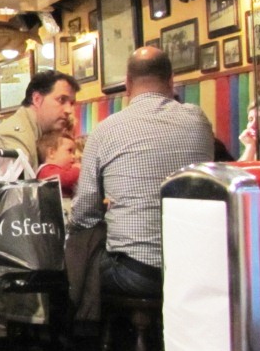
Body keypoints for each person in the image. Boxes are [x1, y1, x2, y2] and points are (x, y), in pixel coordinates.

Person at [70, 47, 214, 299]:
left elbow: (84, 214)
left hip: (134, 272)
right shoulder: (198, 120)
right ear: (171, 80)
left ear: (127, 84)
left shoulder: (105, 130)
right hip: (194, 269)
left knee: (80, 257)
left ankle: (83, 324)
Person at [0, 70, 80, 168]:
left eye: (71, 103)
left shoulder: (36, 133)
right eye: (61, 100)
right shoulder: (13, 138)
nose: (69, 110)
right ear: (37, 99)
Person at [36, 131, 80, 199]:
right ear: (51, 153)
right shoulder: (46, 170)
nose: (74, 157)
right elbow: (66, 179)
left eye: (74, 153)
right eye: (70, 151)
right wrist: (77, 169)